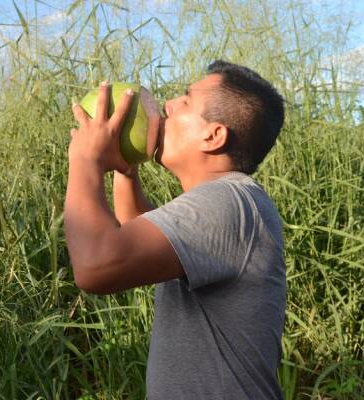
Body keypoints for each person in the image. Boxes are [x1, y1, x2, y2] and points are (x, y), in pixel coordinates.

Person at [65, 60, 286, 399]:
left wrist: (83, 160)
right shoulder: (234, 201)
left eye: (185, 99)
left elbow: (96, 266)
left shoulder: (227, 201)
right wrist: (128, 165)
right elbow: (135, 232)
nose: (168, 104)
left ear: (213, 136)